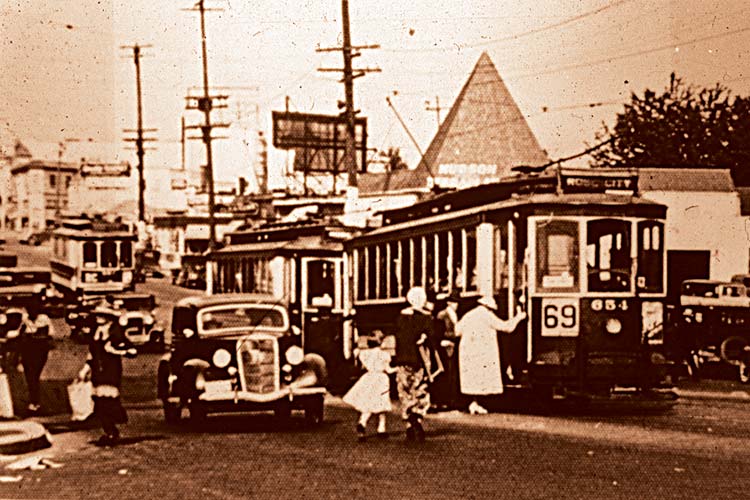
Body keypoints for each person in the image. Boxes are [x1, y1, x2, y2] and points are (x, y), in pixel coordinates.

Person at [456, 295, 526, 415]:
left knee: (472, 378)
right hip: (481, 351)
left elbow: (457, 331)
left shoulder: (469, 315)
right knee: (482, 378)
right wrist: (519, 317)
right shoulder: (486, 315)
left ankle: (474, 403)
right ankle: (477, 404)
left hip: (467, 350)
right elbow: (507, 327)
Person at [77, 306, 137, 446]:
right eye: (97, 315)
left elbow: (132, 351)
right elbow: (92, 353)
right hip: (98, 370)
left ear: (109, 318)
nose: (98, 317)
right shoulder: (96, 332)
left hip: (111, 371)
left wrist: (114, 350)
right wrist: (85, 369)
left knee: (108, 402)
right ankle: (108, 431)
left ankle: (112, 431)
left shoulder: (116, 333)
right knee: (99, 402)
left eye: (101, 315)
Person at [393, 286, 435, 442]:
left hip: (403, 360)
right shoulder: (426, 318)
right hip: (419, 360)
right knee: (419, 389)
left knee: (405, 390)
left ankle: (409, 423)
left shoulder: (401, 317)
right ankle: (416, 419)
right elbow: (432, 338)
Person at [342, 330, 394, 441]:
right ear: (381, 342)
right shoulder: (384, 355)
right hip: (381, 379)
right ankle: (381, 428)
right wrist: (398, 369)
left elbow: (363, 367)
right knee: (382, 405)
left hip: (369, 377)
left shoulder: (365, 354)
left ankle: (362, 422)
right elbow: (388, 370)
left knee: (369, 403)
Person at [17, 302, 53, 415]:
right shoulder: (26, 319)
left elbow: (49, 332)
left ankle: (35, 402)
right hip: (28, 350)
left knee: (33, 375)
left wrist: (27, 322)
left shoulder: (43, 318)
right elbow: (20, 333)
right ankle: (34, 403)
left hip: (39, 350)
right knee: (30, 376)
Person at [430, 291, 461, 410]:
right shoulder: (442, 315)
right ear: (449, 302)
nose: (456, 304)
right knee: (446, 373)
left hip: (452, 346)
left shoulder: (453, 314)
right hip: (445, 346)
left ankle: (450, 400)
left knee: (452, 374)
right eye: (454, 302)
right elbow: (437, 332)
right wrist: (442, 341)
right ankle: (443, 400)